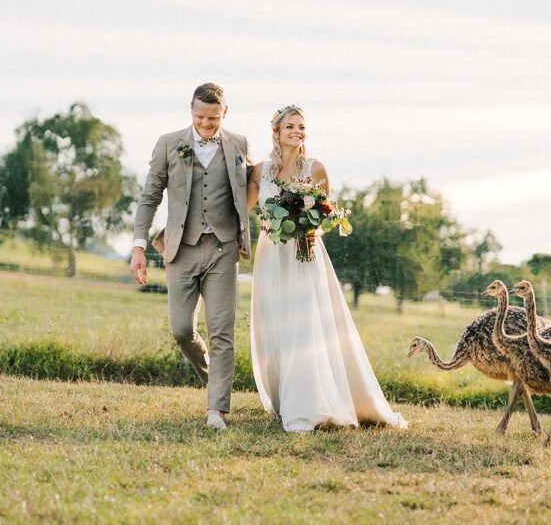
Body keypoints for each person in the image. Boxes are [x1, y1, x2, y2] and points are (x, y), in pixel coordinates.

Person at [246, 105, 408, 432]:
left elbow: (325, 217)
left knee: (304, 327)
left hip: (304, 254)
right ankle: (283, 397)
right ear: (276, 132)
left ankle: (308, 405)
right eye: (290, 126)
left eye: (301, 127)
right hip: (270, 257)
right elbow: (243, 208)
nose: (297, 131)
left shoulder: (316, 168)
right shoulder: (259, 171)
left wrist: (303, 226)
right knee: (275, 324)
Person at [131, 83, 252, 431]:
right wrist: (138, 246)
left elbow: (254, 186)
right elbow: (149, 196)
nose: (206, 123)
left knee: (222, 331)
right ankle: (214, 379)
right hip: (180, 249)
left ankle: (217, 410)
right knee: (182, 329)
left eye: (213, 117)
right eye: (200, 116)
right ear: (191, 110)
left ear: (224, 113)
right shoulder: (169, 144)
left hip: (222, 248)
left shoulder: (240, 145)